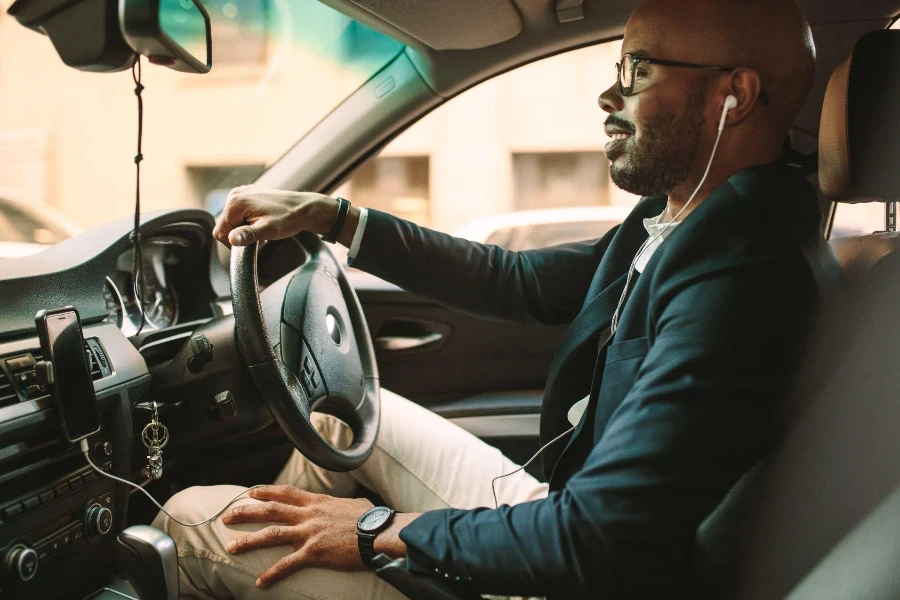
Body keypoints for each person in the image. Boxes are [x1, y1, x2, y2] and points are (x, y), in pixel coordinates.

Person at [152, 0, 837, 597]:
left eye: (639, 70)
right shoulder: (689, 218)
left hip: (579, 572)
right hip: (563, 517)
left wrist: (374, 533)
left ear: (735, 95)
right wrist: (336, 218)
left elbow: (598, 541)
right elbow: (519, 281)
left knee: (190, 523)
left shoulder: (743, 272)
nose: (609, 96)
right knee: (342, 419)